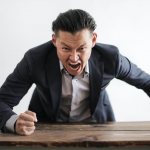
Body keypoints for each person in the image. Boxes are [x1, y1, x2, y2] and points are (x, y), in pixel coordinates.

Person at [0, 9, 150, 136]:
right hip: (45, 130)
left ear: (93, 40)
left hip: (97, 129)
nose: (74, 58)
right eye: (65, 48)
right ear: (54, 41)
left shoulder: (111, 59)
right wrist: (14, 122)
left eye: (81, 48)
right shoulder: (34, 60)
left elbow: (146, 82)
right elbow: (2, 101)